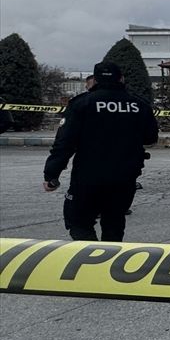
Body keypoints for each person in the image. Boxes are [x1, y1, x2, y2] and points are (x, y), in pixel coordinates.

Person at [43, 61, 158, 241]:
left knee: (79, 222)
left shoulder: (82, 103)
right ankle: (109, 256)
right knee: (114, 224)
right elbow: (150, 138)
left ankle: (90, 255)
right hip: (124, 177)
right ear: (121, 78)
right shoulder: (139, 105)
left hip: (88, 176)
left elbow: (64, 143)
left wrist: (51, 174)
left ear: (95, 80)